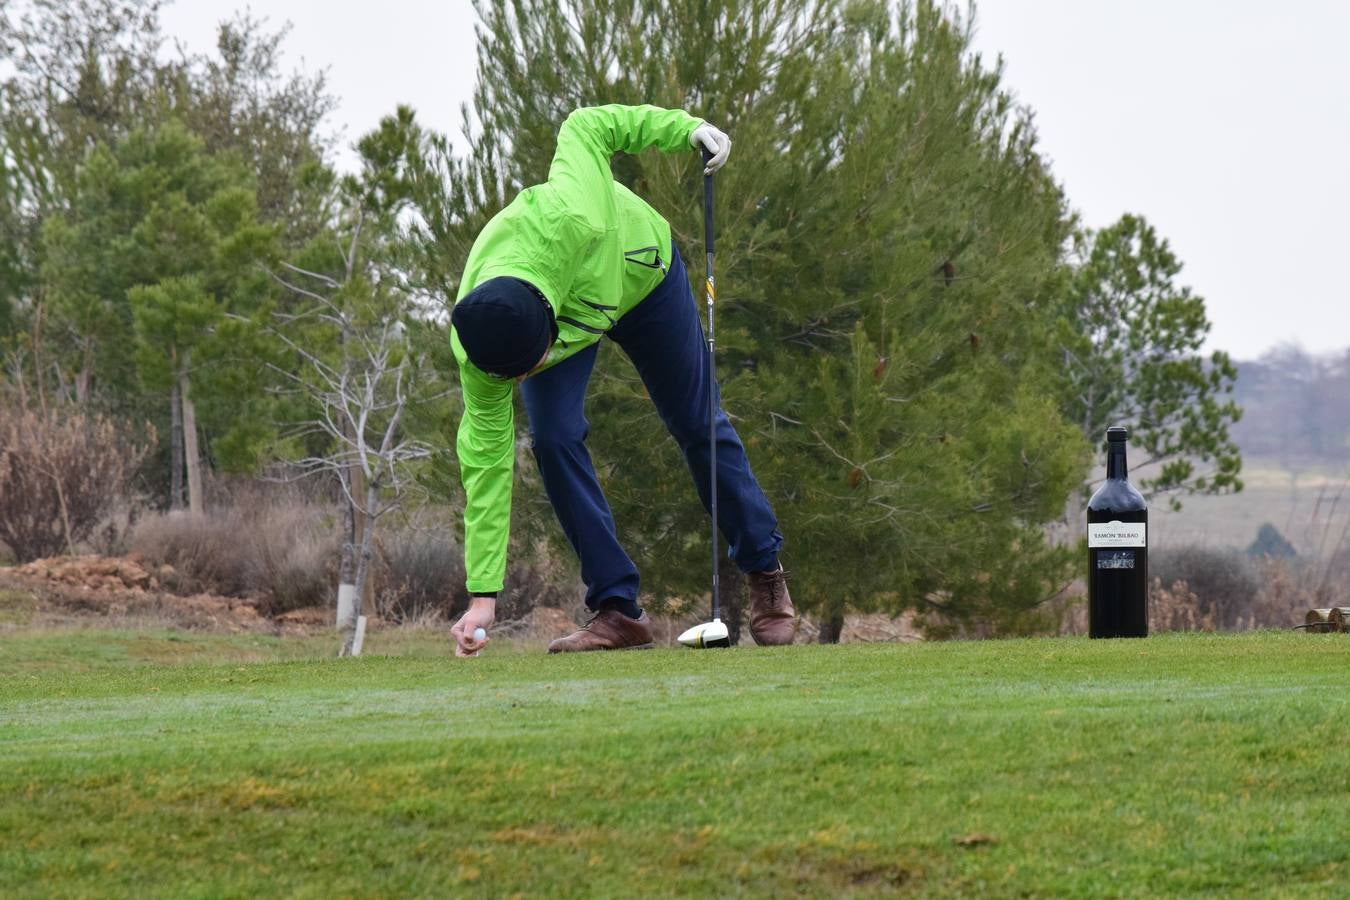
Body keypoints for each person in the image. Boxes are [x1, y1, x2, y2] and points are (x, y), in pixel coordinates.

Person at [448, 104, 797, 656]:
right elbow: (485, 463)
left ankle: (764, 571)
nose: (527, 377)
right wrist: (482, 596)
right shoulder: (480, 348)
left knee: (695, 421)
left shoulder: (575, 210)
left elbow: (587, 124)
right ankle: (618, 609)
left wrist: (685, 130)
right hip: (569, 315)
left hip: (641, 274)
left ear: (547, 328)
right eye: (519, 376)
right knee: (554, 439)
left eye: (533, 365)